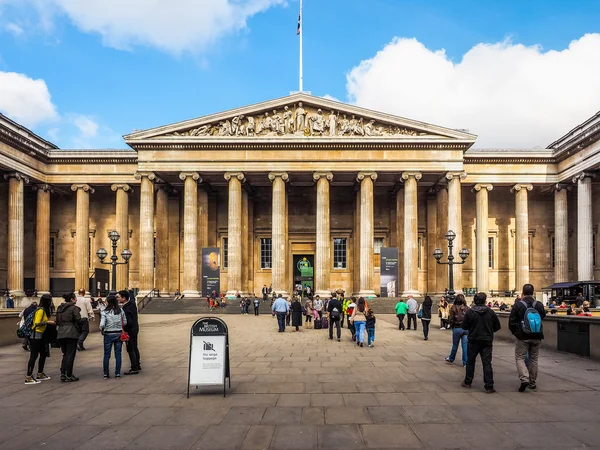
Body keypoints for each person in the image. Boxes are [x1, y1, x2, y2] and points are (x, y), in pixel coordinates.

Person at [509, 283, 546, 392]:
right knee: (534, 359)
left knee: (520, 357)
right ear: (533, 292)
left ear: (523, 292)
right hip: (537, 335)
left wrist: (517, 333)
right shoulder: (538, 304)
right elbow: (543, 316)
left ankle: (524, 378)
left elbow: (511, 322)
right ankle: (532, 382)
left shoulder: (518, 305)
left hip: (523, 336)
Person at [461, 292, 501, 393]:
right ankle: (489, 386)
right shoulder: (490, 312)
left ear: (474, 300)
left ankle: (468, 382)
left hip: (473, 340)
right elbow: (497, 326)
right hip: (486, 341)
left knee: (470, 362)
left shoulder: (470, 312)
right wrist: (489, 332)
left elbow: (464, 326)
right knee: (487, 363)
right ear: (485, 300)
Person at [25, 294, 54, 384]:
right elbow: (37, 323)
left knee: (43, 353)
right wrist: (49, 322)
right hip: (35, 335)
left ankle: (40, 373)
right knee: (34, 355)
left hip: (40, 335)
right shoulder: (40, 311)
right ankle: (28, 377)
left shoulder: (43, 310)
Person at [56, 292, 82, 382]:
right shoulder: (74, 308)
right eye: (75, 298)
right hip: (71, 332)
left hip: (61, 332)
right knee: (70, 354)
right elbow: (78, 320)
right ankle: (69, 374)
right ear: (72, 299)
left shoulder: (60, 308)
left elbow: (57, 321)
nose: (76, 299)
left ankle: (63, 373)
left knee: (65, 354)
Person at [100, 295, 127, 379]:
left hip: (108, 333)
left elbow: (101, 324)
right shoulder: (120, 310)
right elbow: (125, 322)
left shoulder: (104, 312)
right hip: (118, 333)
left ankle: (106, 374)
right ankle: (117, 373)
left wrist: (102, 329)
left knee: (107, 355)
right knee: (118, 354)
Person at [118, 290, 141, 375]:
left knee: (130, 349)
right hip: (135, 329)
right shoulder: (132, 304)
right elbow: (132, 299)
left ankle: (134, 367)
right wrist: (131, 291)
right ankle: (138, 364)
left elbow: (128, 322)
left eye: (119, 297)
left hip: (130, 331)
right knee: (135, 347)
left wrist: (125, 330)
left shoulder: (126, 308)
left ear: (124, 298)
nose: (118, 298)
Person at [445, 294, 469, 367]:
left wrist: (452, 326)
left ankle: (451, 358)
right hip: (466, 329)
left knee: (455, 345)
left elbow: (451, 319)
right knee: (465, 346)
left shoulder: (453, 307)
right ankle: (465, 362)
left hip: (457, 328)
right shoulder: (467, 308)